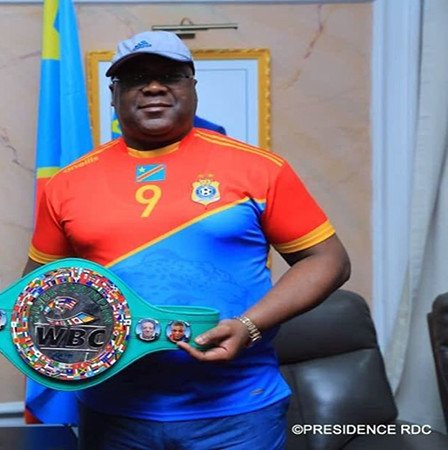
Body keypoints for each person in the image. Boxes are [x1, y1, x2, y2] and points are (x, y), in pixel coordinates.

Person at [24, 30, 350, 449]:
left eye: (169, 76)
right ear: (113, 95)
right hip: (113, 412)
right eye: (136, 77)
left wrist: (249, 326)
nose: (153, 87)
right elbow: (38, 290)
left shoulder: (260, 168)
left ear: (192, 87)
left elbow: (329, 260)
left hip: (239, 412)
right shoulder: (67, 183)